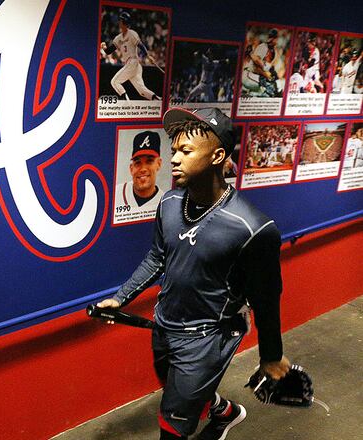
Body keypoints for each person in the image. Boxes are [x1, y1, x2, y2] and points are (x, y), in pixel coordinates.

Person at [97, 107, 291, 440]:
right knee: (177, 391)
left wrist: (270, 357)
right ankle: (226, 412)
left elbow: (267, 300)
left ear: (217, 155)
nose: (174, 159)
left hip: (206, 339)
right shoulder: (170, 203)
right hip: (163, 325)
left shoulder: (253, 228)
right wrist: (120, 297)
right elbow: (158, 257)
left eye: (186, 151)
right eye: (174, 151)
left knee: (171, 425)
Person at [100, 10, 161, 101]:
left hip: (133, 62)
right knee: (141, 90)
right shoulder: (119, 38)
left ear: (124, 22)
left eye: (120, 20)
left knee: (114, 82)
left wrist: (148, 56)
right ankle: (158, 100)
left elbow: (140, 45)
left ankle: (126, 102)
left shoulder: (132, 33)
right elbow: (109, 51)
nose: (119, 22)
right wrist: (104, 47)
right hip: (132, 65)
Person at [115, 130, 164, 212]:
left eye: (149, 161)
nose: (143, 169)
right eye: (138, 163)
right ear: (131, 168)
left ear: (158, 164)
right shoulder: (117, 193)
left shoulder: (164, 201)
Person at [242, 29, 279, 97]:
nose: (271, 39)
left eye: (273, 37)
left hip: (256, 78)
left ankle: (248, 94)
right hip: (248, 74)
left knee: (272, 90)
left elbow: (267, 68)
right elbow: (256, 67)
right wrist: (267, 75)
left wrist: (271, 75)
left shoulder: (274, 52)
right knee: (267, 84)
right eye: (270, 37)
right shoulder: (263, 47)